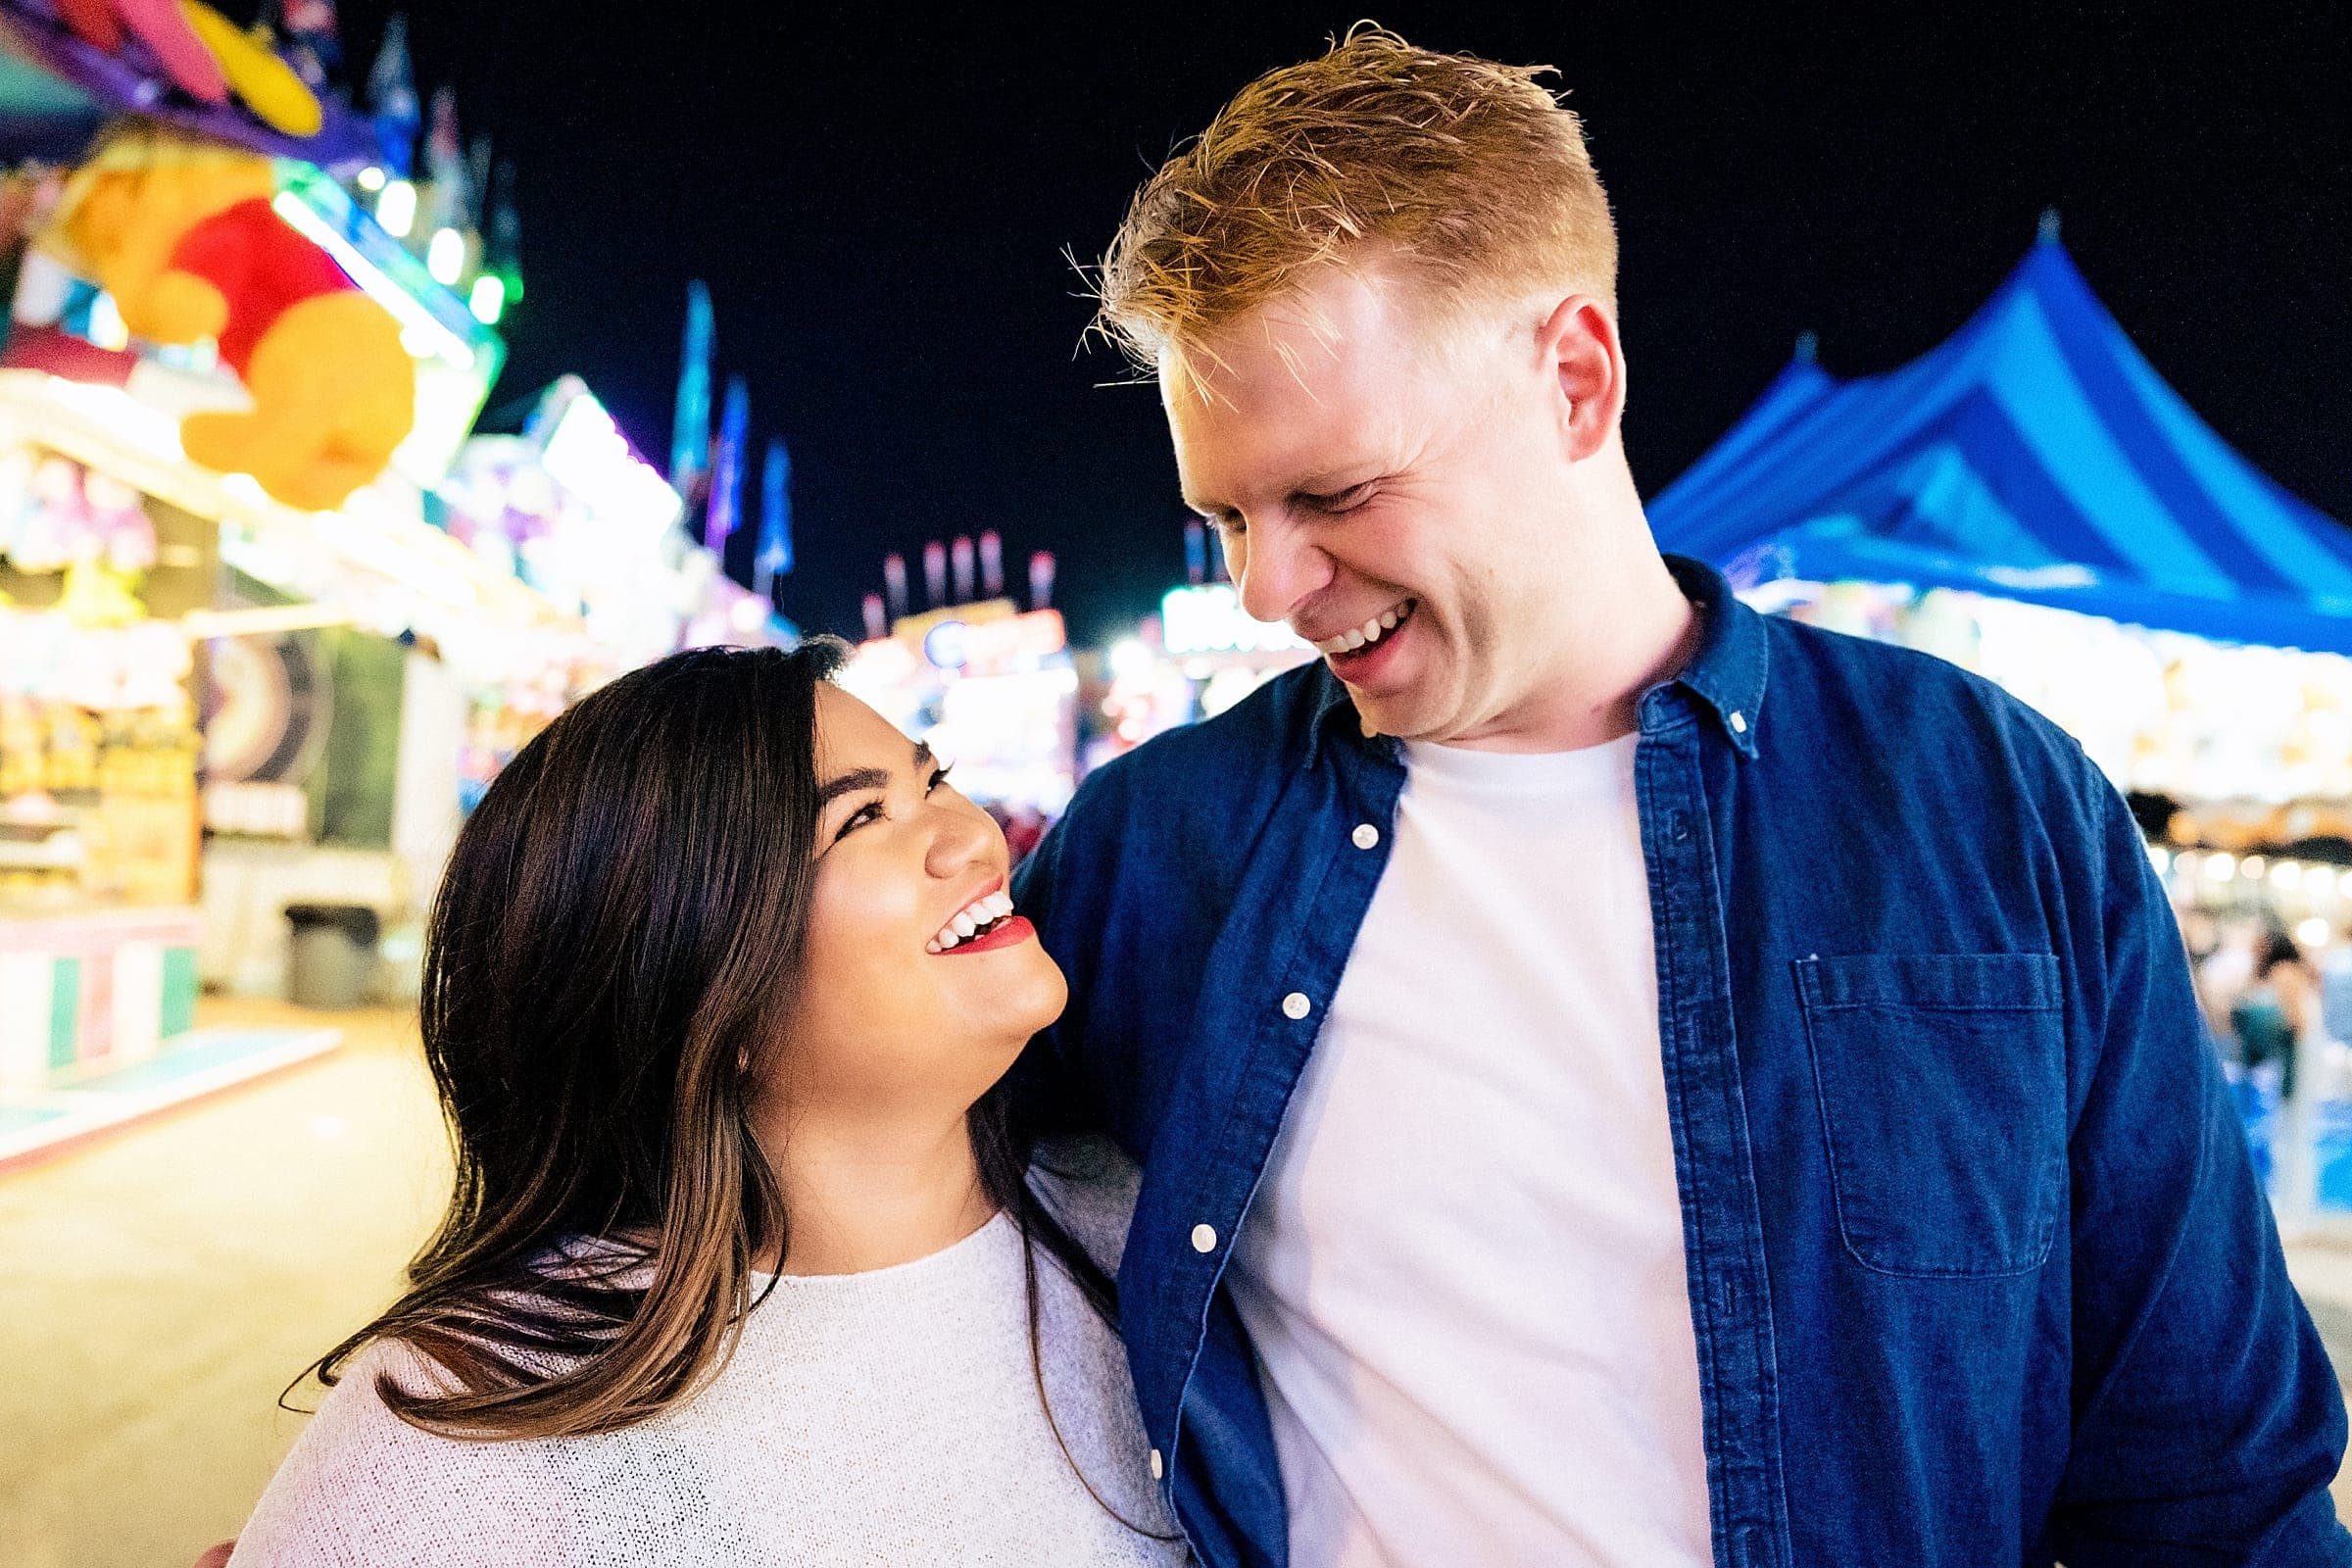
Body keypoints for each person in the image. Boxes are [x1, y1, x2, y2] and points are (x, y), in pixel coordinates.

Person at [1013, 25, 2350, 1568]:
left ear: (1576, 381)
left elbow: (2214, 1487)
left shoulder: (1996, 808)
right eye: (1227, 516)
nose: (1268, 589)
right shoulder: (1154, 853)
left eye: (1335, 494)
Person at [222, 645, 1186, 1565]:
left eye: (933, 781)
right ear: (697, 983)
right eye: (861, 820)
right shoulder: (469, 1422)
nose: (975, 836)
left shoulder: (1159, 1238)